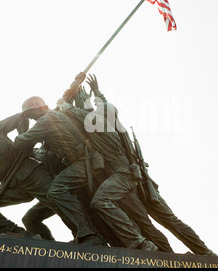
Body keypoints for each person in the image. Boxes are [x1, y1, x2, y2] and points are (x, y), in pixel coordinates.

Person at [74, 75, 218, 257]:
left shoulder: (100, 126)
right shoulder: (115, 123)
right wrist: (95, 92)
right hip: (138, 180)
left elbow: (81, 113)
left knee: (154, 223)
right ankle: (197, 253)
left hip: (129, 180)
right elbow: (102, 107)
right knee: (160, 222)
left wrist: (75, 94)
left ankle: (184, 253)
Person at [15, 89, 157, 251]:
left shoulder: (46, 121)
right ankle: (90, 234)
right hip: (84, 162)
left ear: (40, 109)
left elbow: (20, 142)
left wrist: (20, 132)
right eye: (28, 116)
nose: (31, 117)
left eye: (31, 113)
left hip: (84, 162)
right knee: (89, 206)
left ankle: (90, 234)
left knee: (57, 191)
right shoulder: (55, 116)